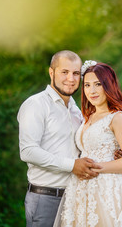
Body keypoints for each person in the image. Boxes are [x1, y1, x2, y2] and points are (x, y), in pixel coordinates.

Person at [54, 61, 122, 227]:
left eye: (98, 84)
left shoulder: (117, 117)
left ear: (108, 85)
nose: (92, 91)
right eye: (87, 85)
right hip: (81, 189)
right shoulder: (87, 117)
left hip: (106, 188)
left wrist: (96, 168)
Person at [17, 51, 102, 227]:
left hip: (74, 197)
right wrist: (72, 165)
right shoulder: (36, 105)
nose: (70, 79)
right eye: (64, 72)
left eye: (76, 73)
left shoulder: (75, 109)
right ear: (51, 72)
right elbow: (27, 151)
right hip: (45, 199)